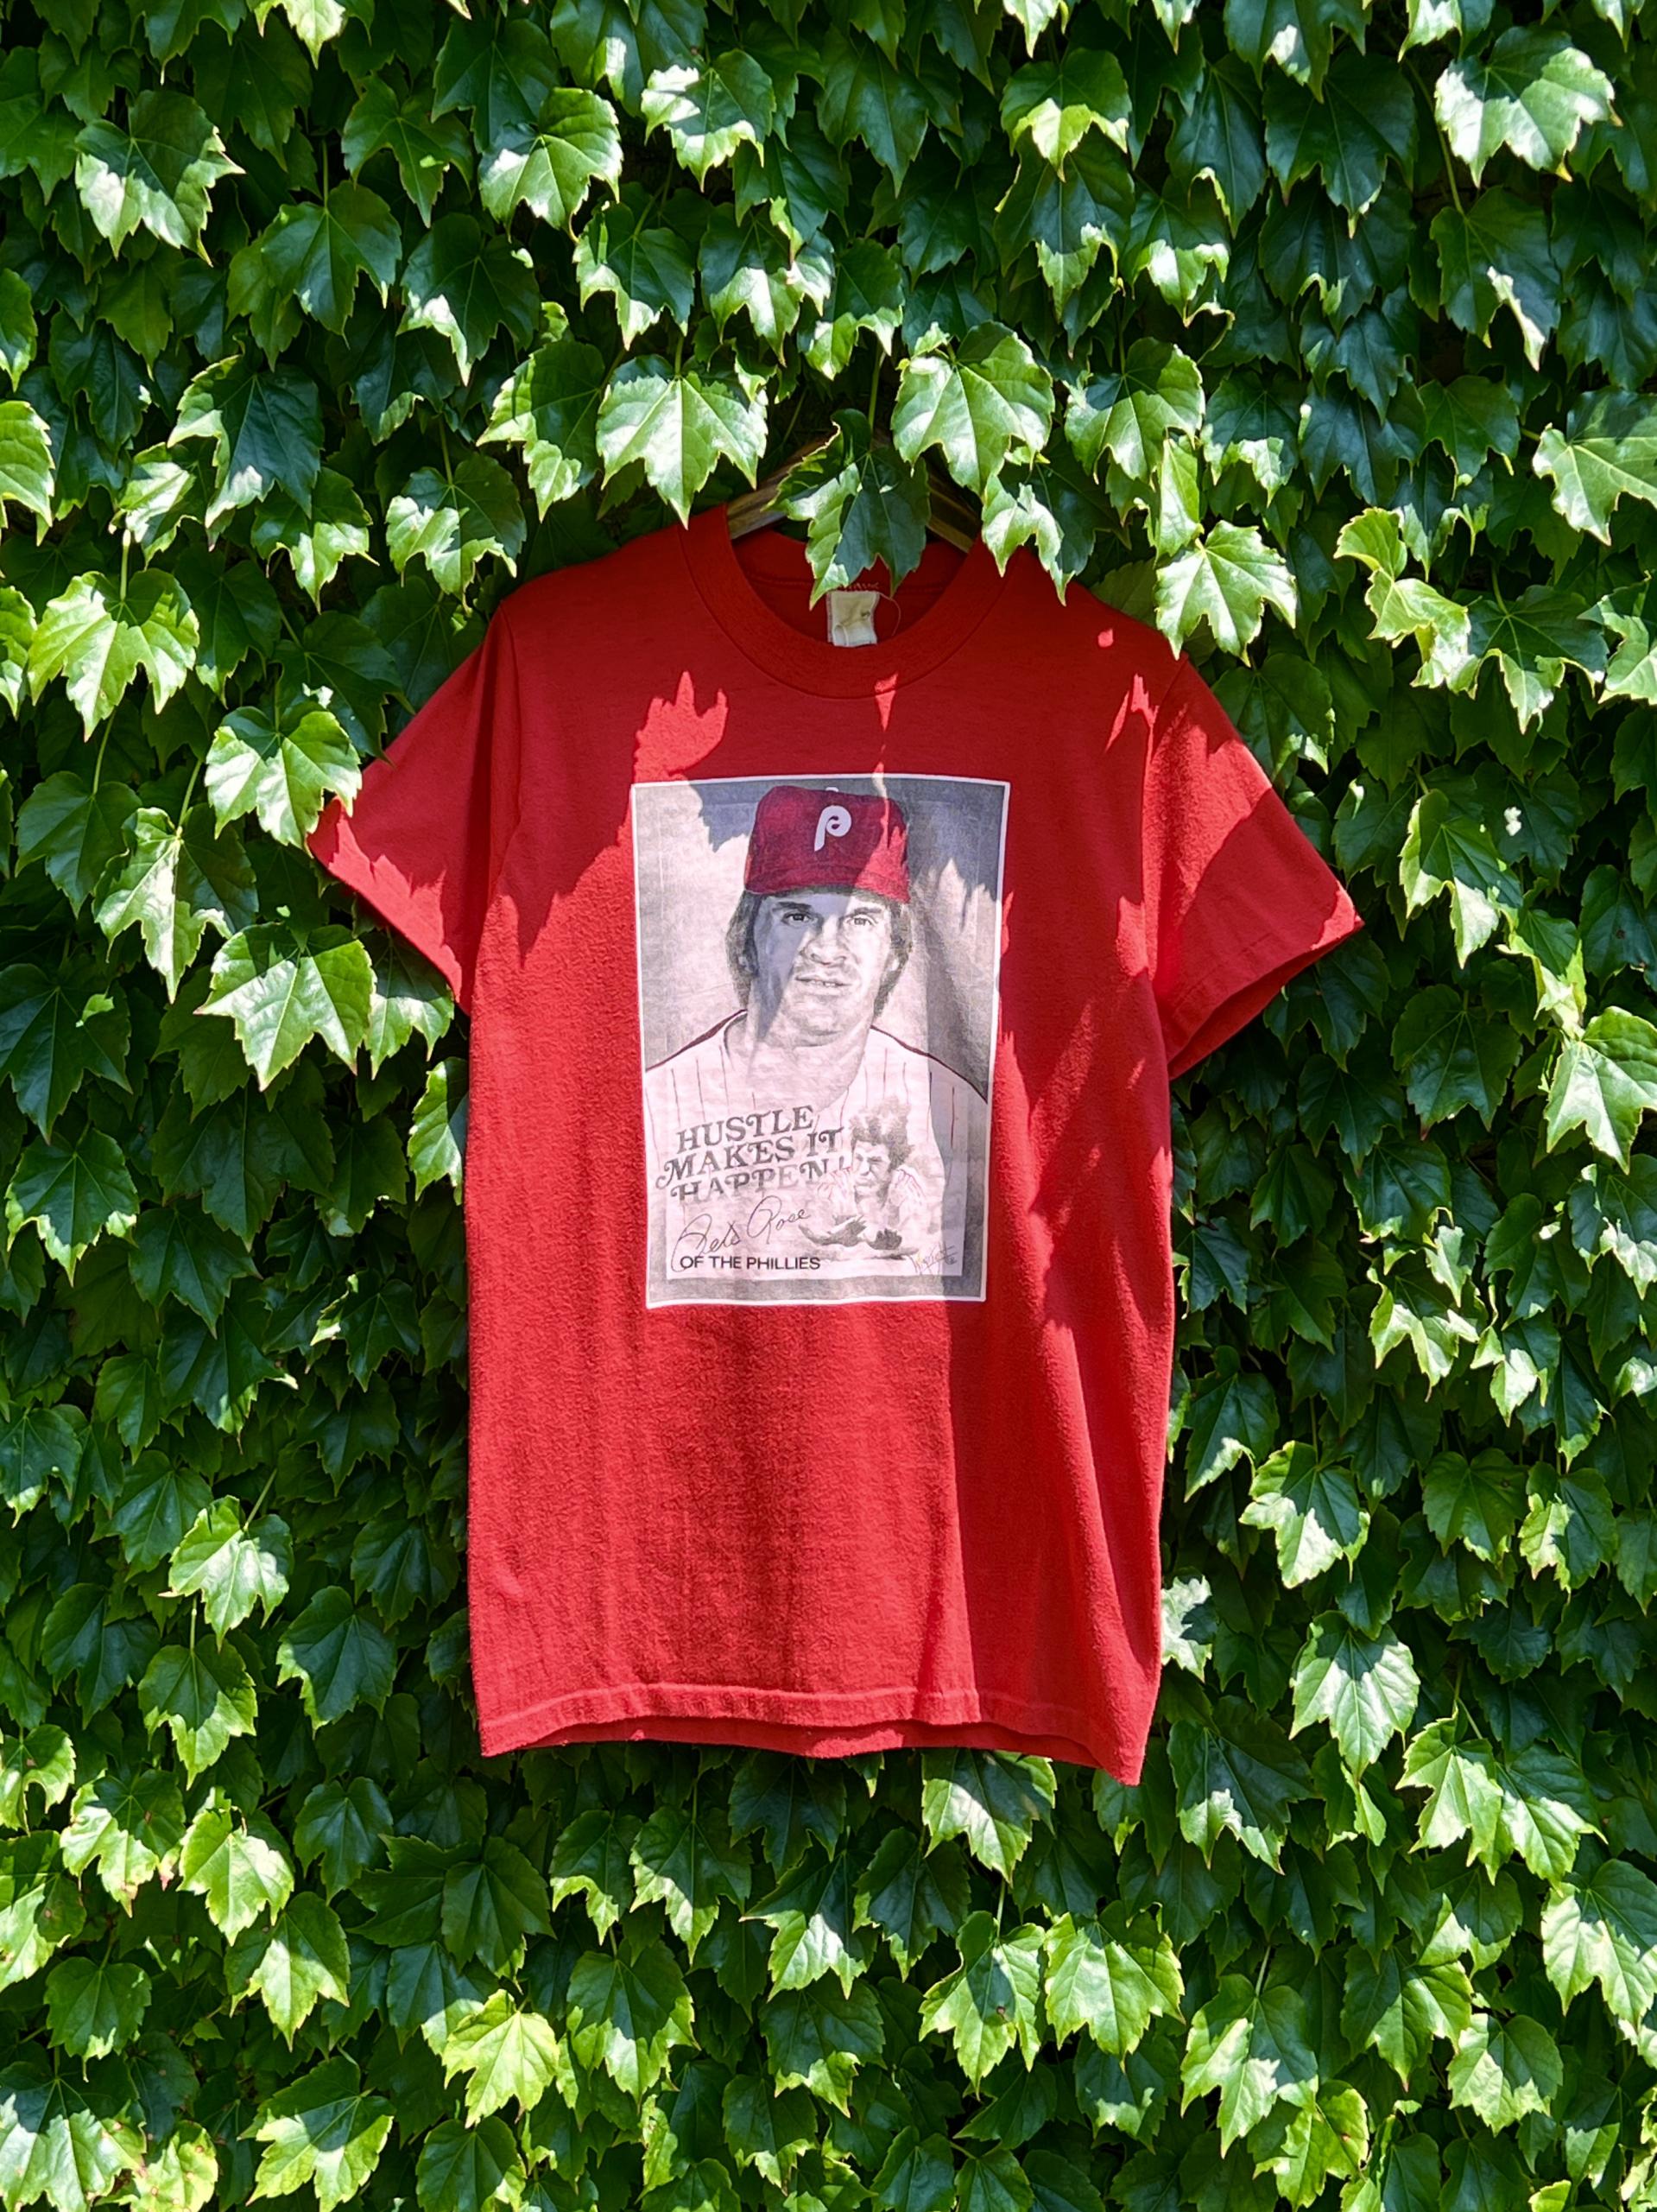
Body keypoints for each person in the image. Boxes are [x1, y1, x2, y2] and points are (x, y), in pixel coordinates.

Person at [643, 783, 987, 1285]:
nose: (826, 949)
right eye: (797, 916)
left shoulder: (959, 1113)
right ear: (747, 940)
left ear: (895, 952)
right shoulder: (657, 1105)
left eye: (860, 919)